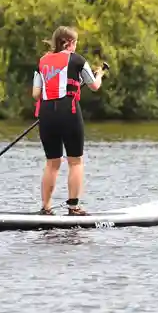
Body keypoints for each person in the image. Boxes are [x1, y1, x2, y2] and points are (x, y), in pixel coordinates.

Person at [31, 25, 105, 215]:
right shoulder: (78, 60)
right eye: (76, 42)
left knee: (52, 162)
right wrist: (100, 74)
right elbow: (95, 86)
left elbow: (36, 93)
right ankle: (74, 207)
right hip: (68, 111)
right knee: (75, 161)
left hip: (47, 113)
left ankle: (46, 208)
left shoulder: (42, 61)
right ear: (70, 43)